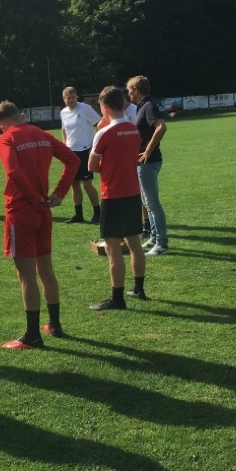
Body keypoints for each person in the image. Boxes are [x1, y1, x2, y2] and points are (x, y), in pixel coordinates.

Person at [0, 101, 79, 348]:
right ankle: (54, 325)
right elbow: (73, 160)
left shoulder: (6, 139)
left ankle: (32, 335)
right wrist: (59, 193)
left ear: (1, 125)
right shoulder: (42, 134)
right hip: (43, 212)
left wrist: (33, 197)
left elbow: (12, 171)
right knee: (46, 270)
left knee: (26, 275)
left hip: (21, 211)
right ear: (19, 115)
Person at [88, 86, 148, 310]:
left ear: (104, 107)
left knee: (112, 248)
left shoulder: (104, 133)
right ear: (122, 104)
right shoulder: (133, 129)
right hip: (133, 192)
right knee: (134, 243)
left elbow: (92, 166)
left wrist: (108, 166)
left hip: (112, 194)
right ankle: (139, 289)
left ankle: (117, 298)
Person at [126, 76, 169, 256]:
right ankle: (153, 237)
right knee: (146, 202)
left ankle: (162, 244)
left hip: (148, 162)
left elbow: (161, 127)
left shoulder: (149, 106)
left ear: (136, 90)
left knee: (152, 204)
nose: (128, 93)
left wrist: (148, 150)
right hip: (143, 162)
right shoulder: (141, 106)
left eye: (130, 90)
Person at [60, 86, 101, 224]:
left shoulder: (85, 108)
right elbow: (64, 130)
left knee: (87, 184)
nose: (71, 100)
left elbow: (100, 123)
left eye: (73, 97)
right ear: (64, 99)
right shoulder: (63, 112)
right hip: (71, 153)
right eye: (68, 98)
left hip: (85, 151)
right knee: (74, 184)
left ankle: (98, 213)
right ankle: (78, 215)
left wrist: (93, 146)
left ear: (77, 97)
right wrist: (65, 148)